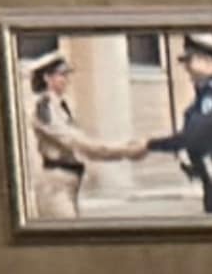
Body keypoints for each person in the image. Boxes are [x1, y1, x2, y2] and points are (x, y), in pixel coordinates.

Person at [23, 48, 143, 223]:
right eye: (61, 75)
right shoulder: (43, 107)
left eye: (67, 75)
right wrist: (122, 150)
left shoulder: (63, 105)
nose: (66, 80)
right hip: (55, 184)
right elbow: (75, 142)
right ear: (47, 78)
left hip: (70, 182)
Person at [144, 32, 212, 216]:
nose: (186, 67)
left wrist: (150, 145)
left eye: (190, 60)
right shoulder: (203, 97)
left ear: (208, 61)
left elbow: (194, 135)